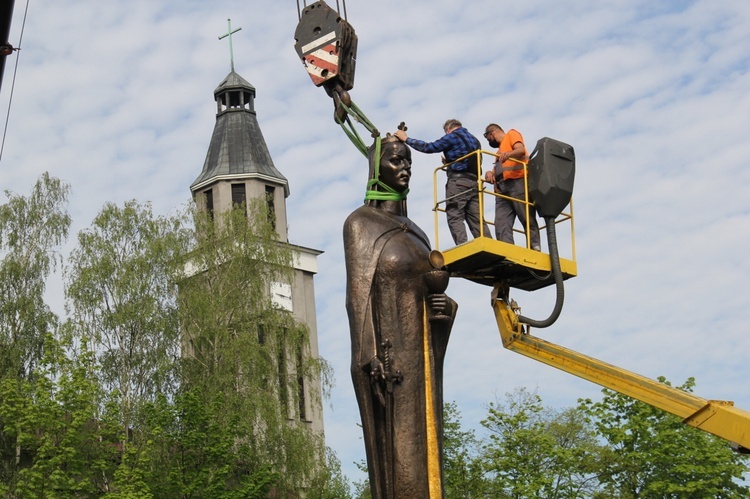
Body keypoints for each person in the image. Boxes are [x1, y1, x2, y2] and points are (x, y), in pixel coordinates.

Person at [344, 134, 458, 498]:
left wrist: (444, 312)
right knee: (399, 453)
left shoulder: (420, 234)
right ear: (376, 167)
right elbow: (357, 297)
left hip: (421, 360)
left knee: (426, 446)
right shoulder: (362, 223)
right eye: (396, 160)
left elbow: (432, 298)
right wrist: (368, 355)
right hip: (390, 363)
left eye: (408, 161)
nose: (405, 167)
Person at [394, 119, 490, 245]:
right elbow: (470, 161)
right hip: (473, 182)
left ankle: (462, 246)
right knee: (476, 218)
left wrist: (406, 139)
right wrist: (450, 163)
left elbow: (429, 147)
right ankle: (488, 244)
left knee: (454, 214)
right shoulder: (475, 141)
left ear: (448, 129)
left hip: (458, 182)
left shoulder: (452, 136)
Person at [483, 123, 541, 250]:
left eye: (488, 138)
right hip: (501, 189)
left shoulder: (512, 134)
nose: (489, 141)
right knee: (501, 223)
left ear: (492, 133)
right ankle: (507, 249)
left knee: (526, 216)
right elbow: (498, 168)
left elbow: (520, 150)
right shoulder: (499, 152)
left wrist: (509, 154)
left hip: (517, 182)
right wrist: (489, 173)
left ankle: (535, 247)